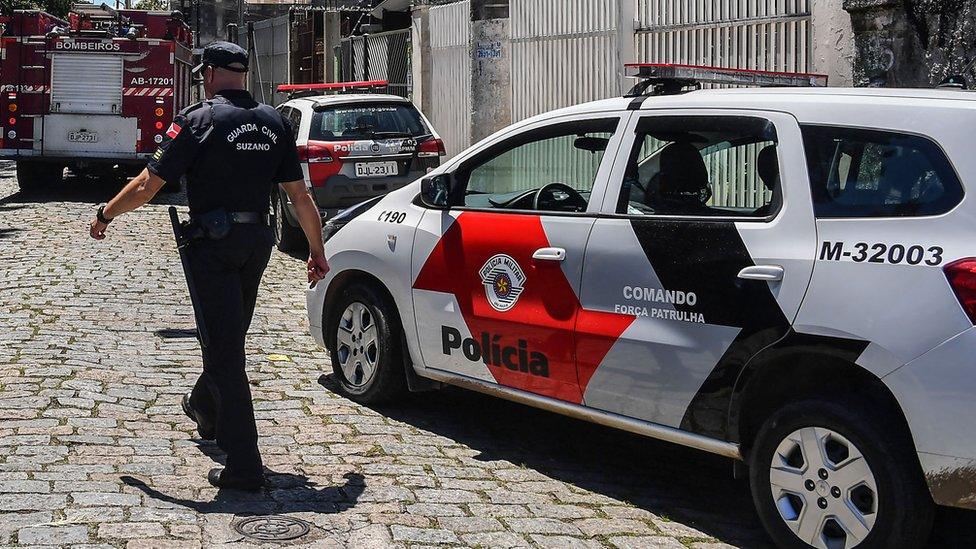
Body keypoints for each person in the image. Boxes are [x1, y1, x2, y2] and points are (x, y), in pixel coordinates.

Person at [88, 41, 329, 490]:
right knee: (228, 335)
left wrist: (106, 215)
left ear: (213, 72)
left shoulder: (197, 120)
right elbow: (300, 196)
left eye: (203, 73)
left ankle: (244, 465)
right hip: (258, 242)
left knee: (223, 351)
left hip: (213, 245)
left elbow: (147, 185)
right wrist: (317, 251)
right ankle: (204, 405)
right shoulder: (274, 121)